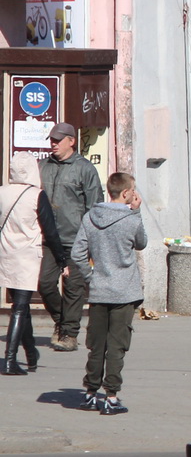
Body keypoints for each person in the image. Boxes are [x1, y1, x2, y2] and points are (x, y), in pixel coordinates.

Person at [71, 172, 147, 415]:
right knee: (117, 346)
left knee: (96, 345)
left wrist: (91, 277)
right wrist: (136, 211)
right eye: (133, 190)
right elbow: (142, 243)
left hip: (99, 291)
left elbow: (77, 254)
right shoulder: (131, 219)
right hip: (124, 293)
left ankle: (90, 394)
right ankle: (111, 396)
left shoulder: (90, 216)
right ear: (126, 193)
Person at [1, 153, 69, 375]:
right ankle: (10, 360)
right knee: (20, 306)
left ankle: (31, 354)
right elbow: (50, 231)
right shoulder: (36, 196)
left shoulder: (2, 192)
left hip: (5, 254)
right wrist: (61, 259)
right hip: (27, 256)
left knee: (21, 306)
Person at [39, 122, 103, 353]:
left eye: (58, 140)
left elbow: (94, 206)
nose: (53, 144)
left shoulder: (85, 169)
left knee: (74, 288)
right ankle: (61, 320)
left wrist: (90, 239)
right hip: (49, 240)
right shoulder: (43, 166)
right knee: (45, 284)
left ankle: (69, 334)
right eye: (52, 140)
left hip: (77, 239)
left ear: (71, 141)